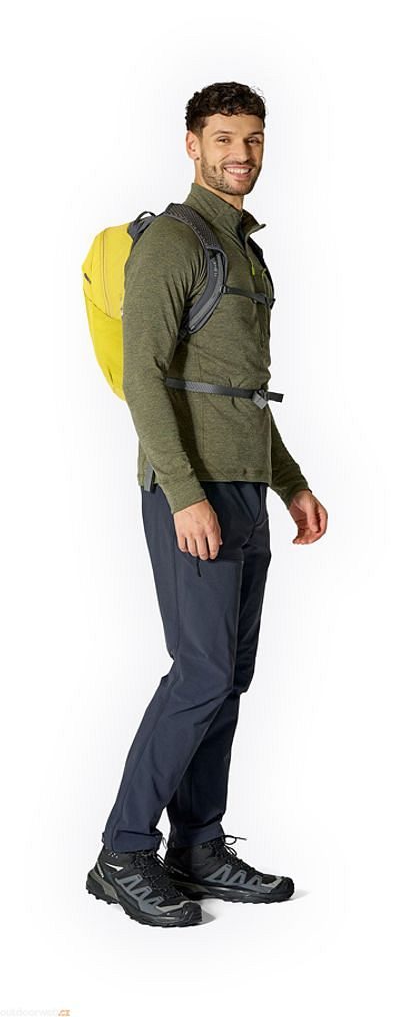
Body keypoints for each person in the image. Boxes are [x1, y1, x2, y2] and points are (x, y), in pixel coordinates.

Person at [86, 81, 328, 928]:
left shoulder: (246, 252)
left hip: (243, 492)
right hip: (190, 491)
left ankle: (196, 845)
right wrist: (186, 494)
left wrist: (290, 481)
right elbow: (144, 381)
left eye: (253, 138)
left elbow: (242, 392)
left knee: (229, 678)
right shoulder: (175, 241)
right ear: (192, 145)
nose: (241, 153)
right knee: (199, 673)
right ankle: (123, 853)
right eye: (224, 137)